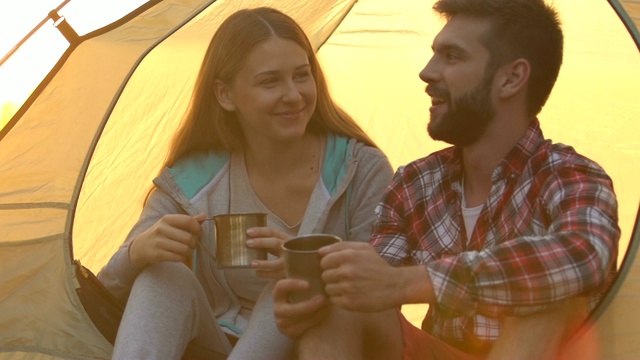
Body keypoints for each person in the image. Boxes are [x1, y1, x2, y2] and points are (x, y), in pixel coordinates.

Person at [272, 0, 620, 359]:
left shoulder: (572, 177)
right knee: (341, 302)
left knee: (550, 297)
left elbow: (584, 256)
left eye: (452, 57)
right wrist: (315, 288)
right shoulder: (415, 183)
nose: (427, 72)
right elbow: (374, 284)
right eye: (434, 54)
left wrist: (411, 282)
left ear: (512, 78)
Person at [97, 6, 393, 360]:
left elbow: (386, 289)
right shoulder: (194, 182)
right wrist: (136, 254)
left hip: (323, 345)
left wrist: (308, 269)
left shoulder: (360, 169)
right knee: (162, 277)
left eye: (302, 75)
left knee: (284, 287)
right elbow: (106, 289)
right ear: (225, 95)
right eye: (270, 81)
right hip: (219, 345)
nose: (294, 95)